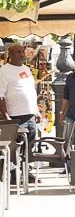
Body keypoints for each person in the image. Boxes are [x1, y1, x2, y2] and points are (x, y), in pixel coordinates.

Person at [0, 43, 41, 179]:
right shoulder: (4, 71)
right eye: (18, 52)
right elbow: (1, 95)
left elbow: (30, 91)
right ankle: (13, 174)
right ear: (10, 54)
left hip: (29, 114)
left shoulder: (26, 69)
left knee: (29, 146)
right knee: (15, 147)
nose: (22, 54)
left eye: (22, 51)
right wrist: (6, 116)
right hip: (15, 115)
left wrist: (36, 111)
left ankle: (26, 172)